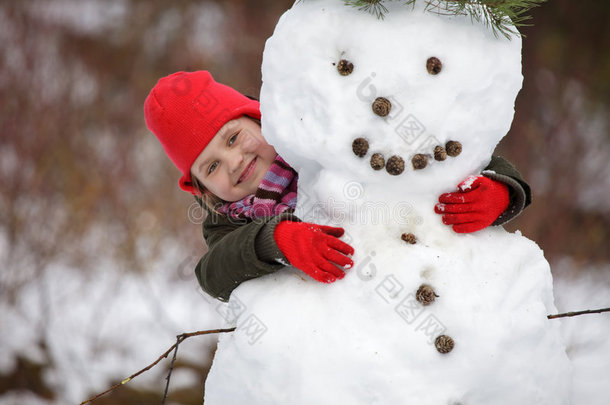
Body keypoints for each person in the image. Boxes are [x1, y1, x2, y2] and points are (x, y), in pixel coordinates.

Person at [144, 70, 531, 302]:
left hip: (436, 285)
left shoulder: (321, 138)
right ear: (202, 190)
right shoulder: (227, 219)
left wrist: (502, 190)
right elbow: (212, 274)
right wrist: (274, 240)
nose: (234, 162)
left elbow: (442, 154)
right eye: (211, 166)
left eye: (232, 138)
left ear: (257, 119)